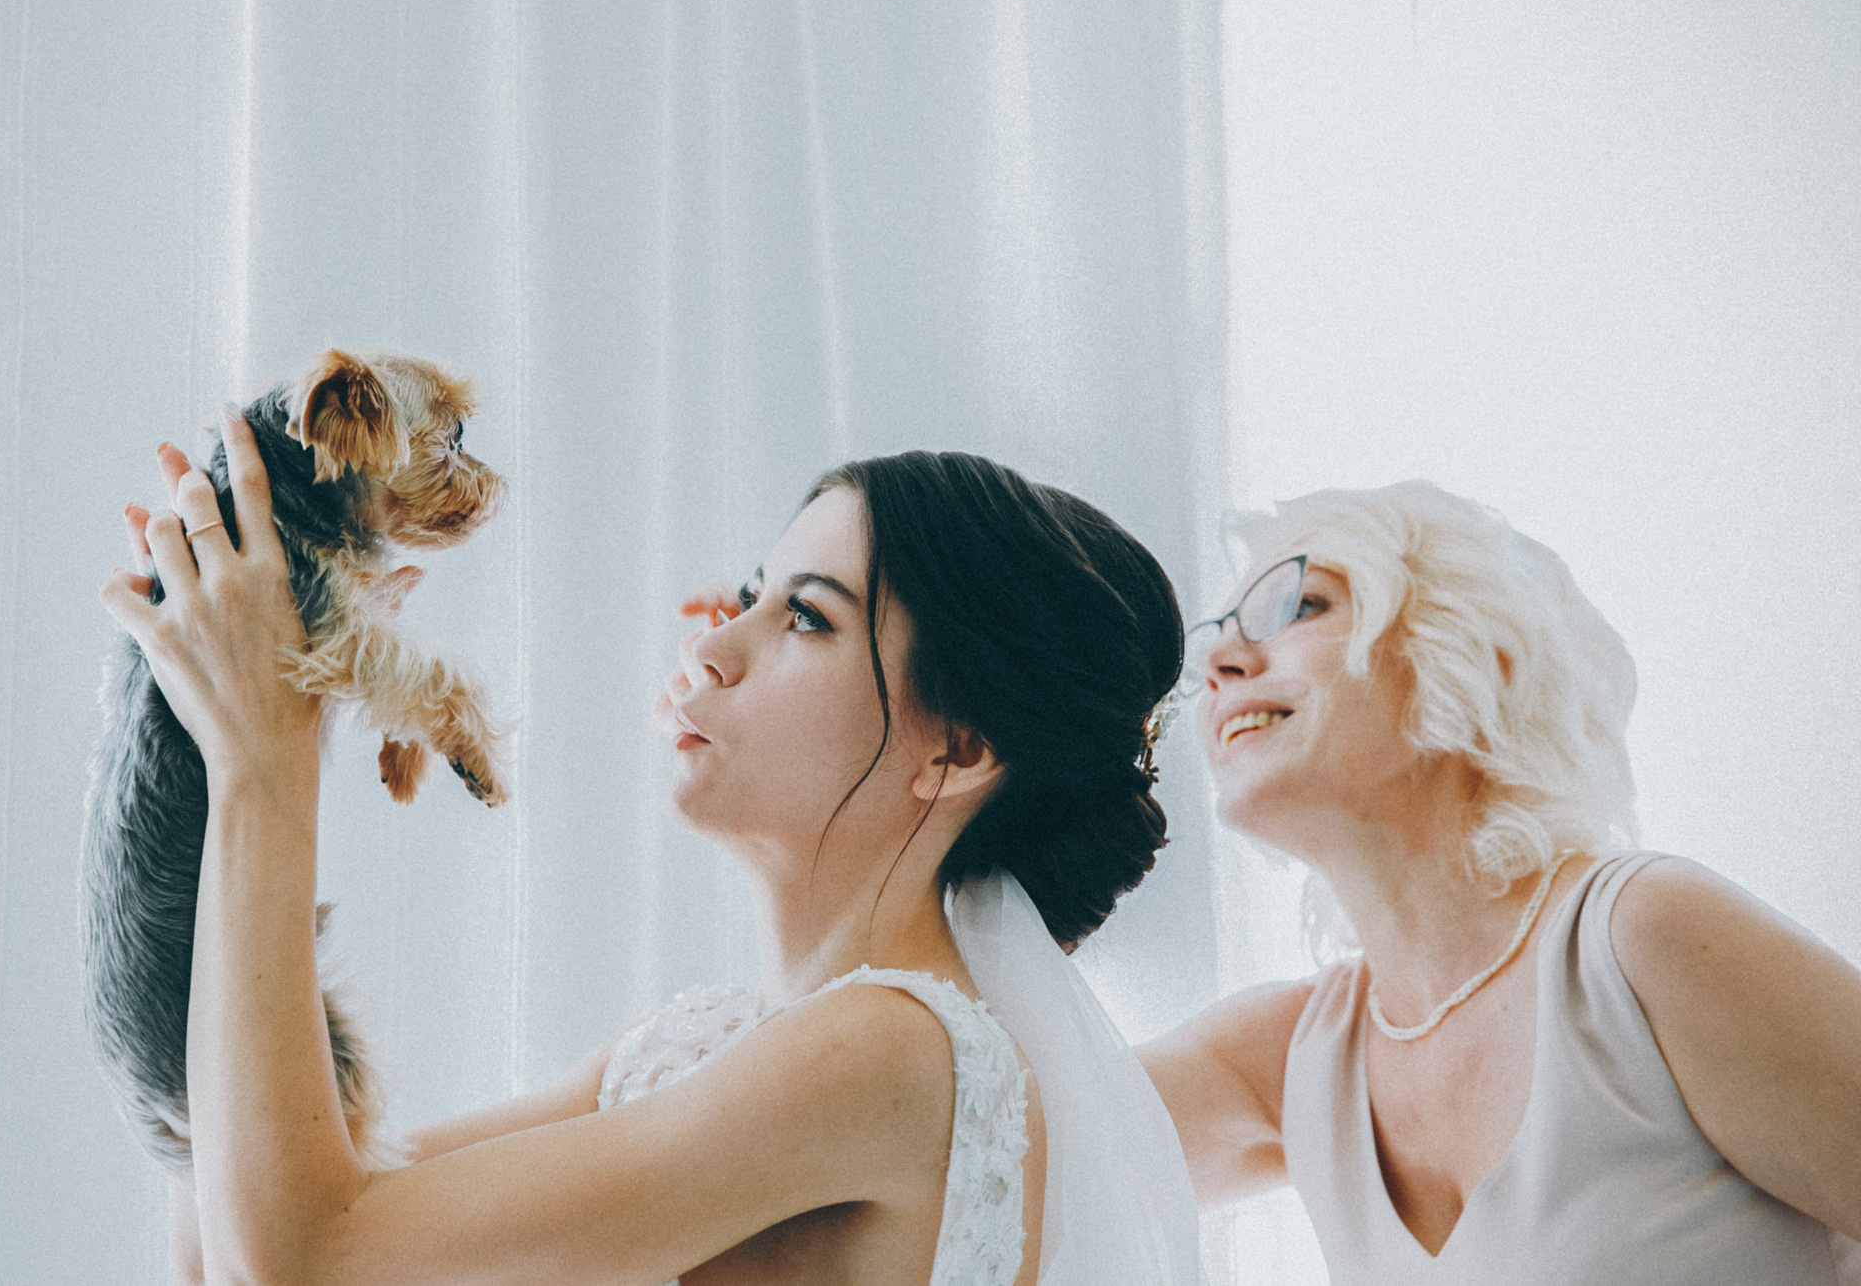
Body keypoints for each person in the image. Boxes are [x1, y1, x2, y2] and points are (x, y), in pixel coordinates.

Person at [103, 423, 1200, 1285]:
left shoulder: (892, 1053)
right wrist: (212, 737)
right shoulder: (692, 1049)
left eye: (804, 620)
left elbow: (307, 1259)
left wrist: (263, 762)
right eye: (745, 594)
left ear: (958, 748)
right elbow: (228, 1235)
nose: (712, 647)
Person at [1139, 481, 1861, 1284]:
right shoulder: (1294, 1057)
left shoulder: (1640, 941)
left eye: (1300, 606)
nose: (1219, 661)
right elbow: (996, 1155)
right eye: (1217, 638)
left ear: (1466, 652)